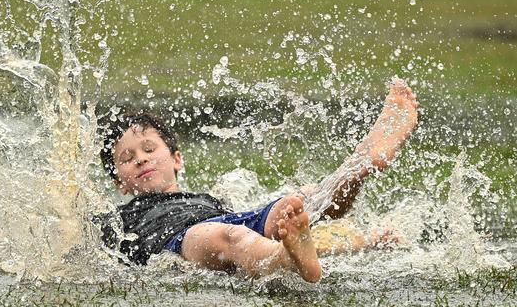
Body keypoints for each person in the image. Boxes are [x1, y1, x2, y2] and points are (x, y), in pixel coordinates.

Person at [99, 78, 418, 282]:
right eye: (127, 159)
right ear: (119, 183)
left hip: (221, 219)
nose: (140, 158)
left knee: (297, 201)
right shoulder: (122, 218)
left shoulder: (206, 199)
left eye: (149, 149)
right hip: (180, 240)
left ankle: (358, 164)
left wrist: (361, 242)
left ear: (177, 159)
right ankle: (286, 257)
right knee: (233, 237)